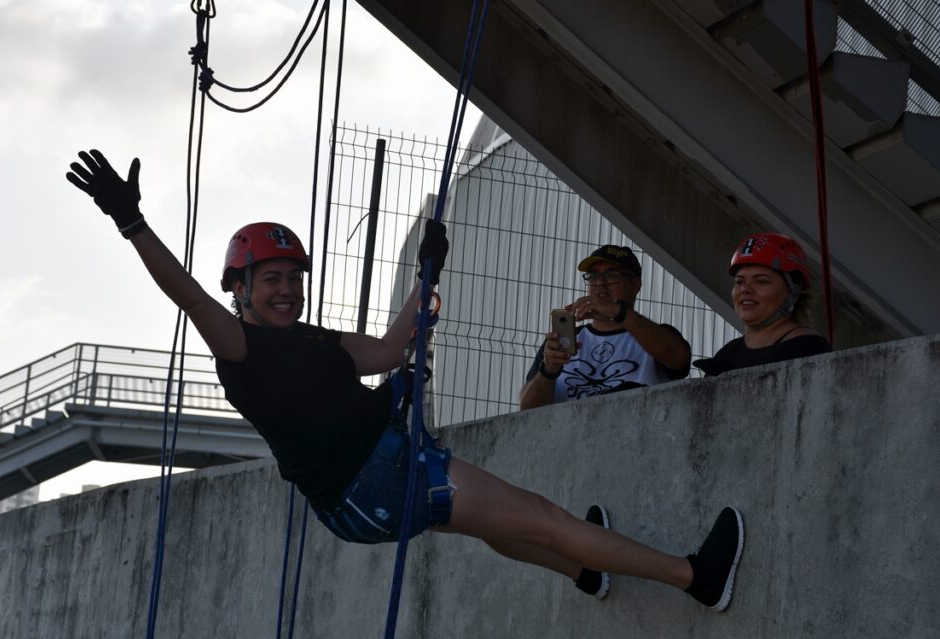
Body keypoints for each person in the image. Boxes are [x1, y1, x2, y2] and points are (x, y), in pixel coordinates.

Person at [66, 149, 744, 611]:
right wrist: (131, 222)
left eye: (294, 280)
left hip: (366, 493)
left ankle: (584, 569)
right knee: (542, 516)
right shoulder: (239, 347)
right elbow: (184, 293)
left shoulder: (316, 341)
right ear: (239, 289)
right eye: (271, 280)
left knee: (493, 524)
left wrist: (428, 274)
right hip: (381, 477)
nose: (287, 291)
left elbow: (393, 348)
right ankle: (694, 576)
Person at [520, 245, 691, 410]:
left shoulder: (654, 336)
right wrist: (548, 370)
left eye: (612, 275)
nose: (600, 283)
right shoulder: (563, 341)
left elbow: (679, 358)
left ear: (636, 284)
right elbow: (526, 412)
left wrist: (619, 311)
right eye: (593, 276)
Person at [695, 233, 831, 377]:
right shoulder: (727, 353)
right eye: (739, 281)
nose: (745, 289)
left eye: (761, 281)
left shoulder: (809, 349)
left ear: (794, 292)